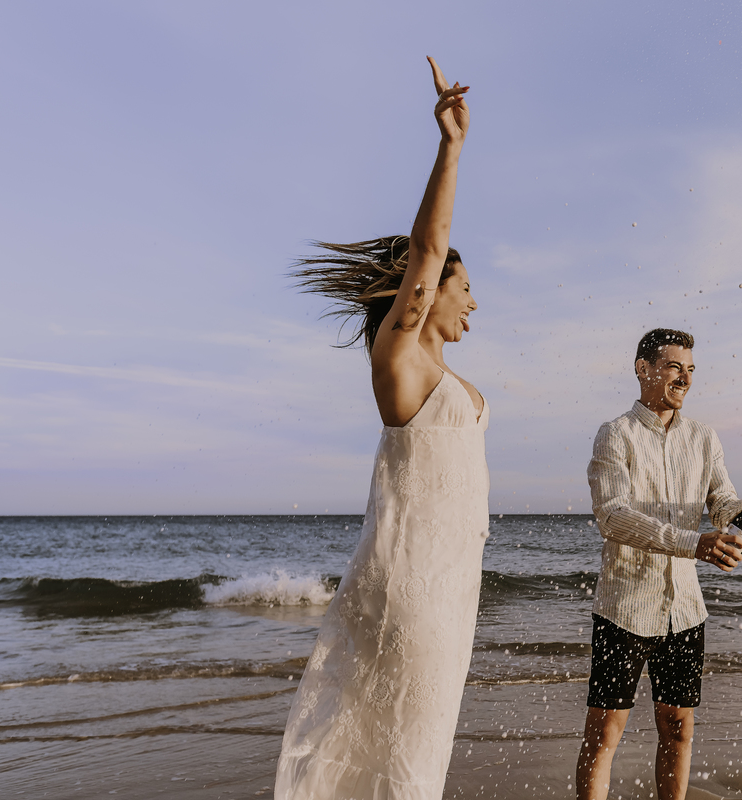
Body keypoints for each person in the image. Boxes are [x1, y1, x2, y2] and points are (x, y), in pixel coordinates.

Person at [274, 58, 488, 800]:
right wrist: (451, 148)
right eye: (465, 287)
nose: (473, 303)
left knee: (405, 748)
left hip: (448, 585)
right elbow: (428, 249)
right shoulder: (401, 365)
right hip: (411, 587)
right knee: (409, 760)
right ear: (424, 294)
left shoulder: (442, 376)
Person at [575, 328, 742, 800]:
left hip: (686, 611)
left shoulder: (703, 437)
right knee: (605, 731)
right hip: (624, 608)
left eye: (690, 369)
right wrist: (692, 543)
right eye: (674, 367)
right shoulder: (615, 435)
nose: (685, 378)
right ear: (643, 369)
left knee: (678, 728)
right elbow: (612, 516)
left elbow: (723, 508)